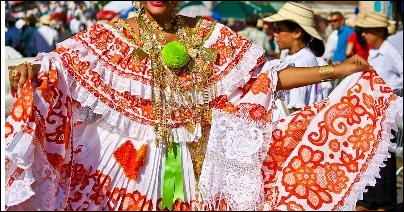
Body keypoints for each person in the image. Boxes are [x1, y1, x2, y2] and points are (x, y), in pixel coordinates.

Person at [5, 1, 402, 211]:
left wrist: (338, 69)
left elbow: (265, 79)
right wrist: (30, 67)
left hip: (196, 171)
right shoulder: (110, 37)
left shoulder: (210, 35)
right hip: (130, 172)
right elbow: (60, 68)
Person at [355, 12, 403, 211]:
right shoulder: (374, 52)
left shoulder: (390, 51)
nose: (364, 34)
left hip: (385, 110)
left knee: (385, 153)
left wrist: (392, 93)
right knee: (374, 153)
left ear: (378, 31)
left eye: (368, 30)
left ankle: (383, 199)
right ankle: (371, 197)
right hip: (374, 109)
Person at [263, 2, 326, 118]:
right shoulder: (296, 56)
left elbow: (296, 109)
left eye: (279, 29)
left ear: (297, 33)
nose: (275, 34)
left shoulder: (301, 61)